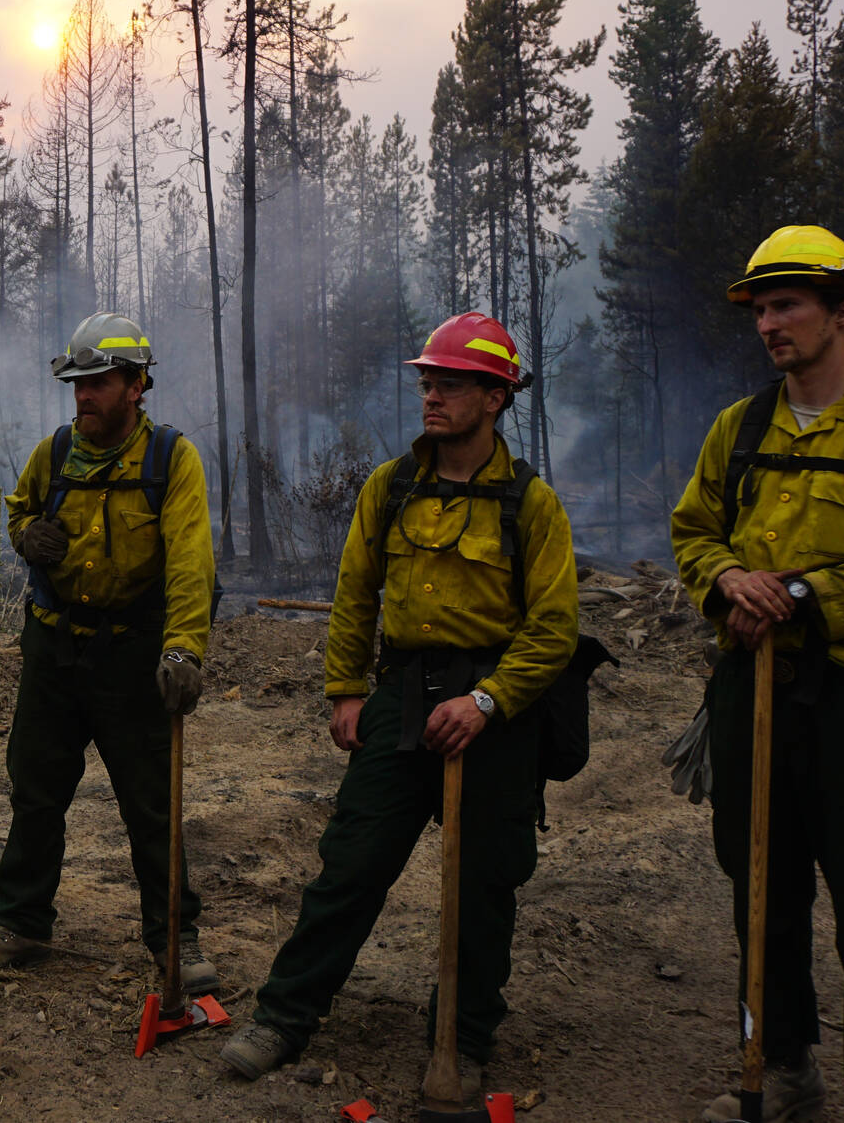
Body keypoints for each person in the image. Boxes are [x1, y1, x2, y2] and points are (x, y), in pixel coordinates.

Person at [219, 312, 576, 1109]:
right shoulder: (391, 487)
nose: (431, 393)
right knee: (350, 864)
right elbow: (354, 594)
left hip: (495, 711)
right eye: (427, 380)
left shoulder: (531, 503)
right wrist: (345, 689)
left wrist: (487, 700)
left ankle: (464, 1040)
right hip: (402, 696)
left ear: (495, 395)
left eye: (449, 382)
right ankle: (284, 1016)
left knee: (483, 887)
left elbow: (553, 629)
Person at [671, 227, 844, 1123]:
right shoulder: (736, 428)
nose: (768, 323)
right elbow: (694, 530)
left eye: (787, 304)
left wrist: (800, 594)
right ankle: (780, 1066)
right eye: (759, 307)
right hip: (752, 689)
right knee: (761, 885)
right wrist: (725, 578)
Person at [0, 312, 219, 991]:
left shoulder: (170, 460)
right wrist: (26, 536)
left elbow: (190, 561)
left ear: (137, 385)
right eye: (77, 382)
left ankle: (173, 937)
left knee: (151, 801)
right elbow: (17, 509)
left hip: (133, 654)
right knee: (35, 788)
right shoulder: (55, 453)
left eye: (98, 382)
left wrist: (185, 648)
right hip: (54, 645)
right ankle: (22, 921)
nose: (83, 396)